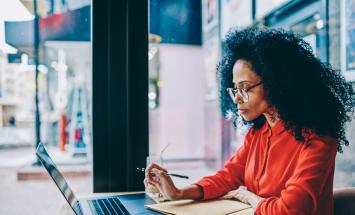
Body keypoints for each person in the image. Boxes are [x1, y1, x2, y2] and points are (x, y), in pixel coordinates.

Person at [144, 28, 355, 215]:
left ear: (277, 84)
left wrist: (250, 198)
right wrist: (178, 192)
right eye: (235, 88)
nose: (236, 98)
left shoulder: (318, 138)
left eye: (244, 88)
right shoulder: (259, 132)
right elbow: (228, 177)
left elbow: (290, 211)